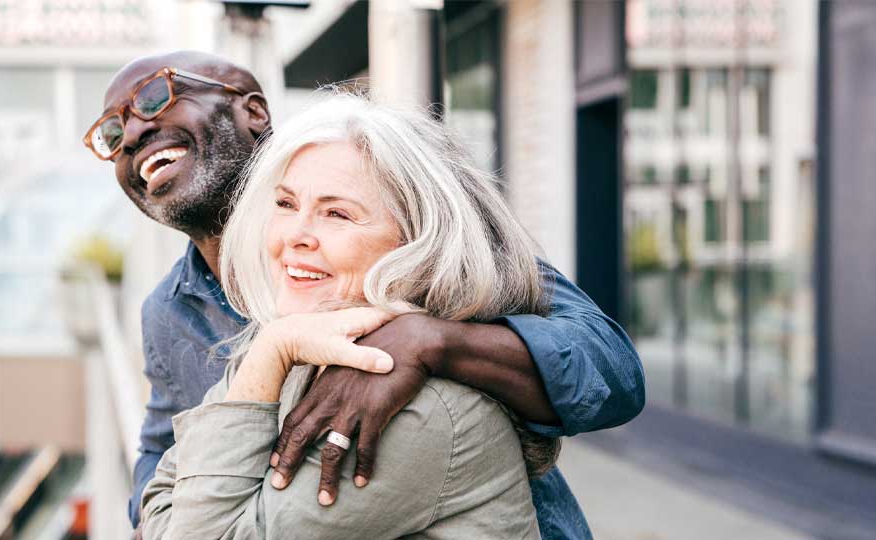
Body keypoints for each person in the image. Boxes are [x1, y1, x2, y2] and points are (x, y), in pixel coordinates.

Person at [84, 51, 644, 540]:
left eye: (156, 96)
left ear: (253, 112)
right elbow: (161, 458)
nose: (131, 134)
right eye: (112, 133)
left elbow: (611, 370)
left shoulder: (444, 259)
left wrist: (427, 341)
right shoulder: (169, 310)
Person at [141, 94, 557, 537]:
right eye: (285, 204)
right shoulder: (294, 345)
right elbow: (158, 496)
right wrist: (271, 351)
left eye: (336, 214)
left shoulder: (425, 410)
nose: (294, 236)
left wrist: (270, 352)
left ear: (415, 240)